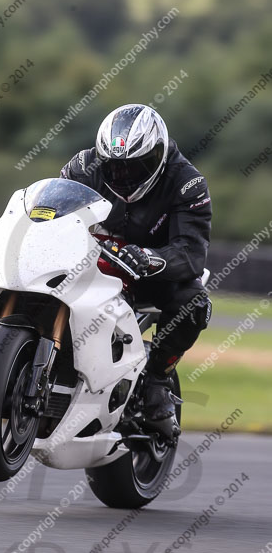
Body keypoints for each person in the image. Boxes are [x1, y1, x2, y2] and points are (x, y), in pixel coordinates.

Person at [60, 104, 212, 441]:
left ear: (157, 155)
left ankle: (158, 380)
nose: (124, 176)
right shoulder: (83, 166)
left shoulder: (187, 184)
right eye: (115, 167)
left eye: (135, 167)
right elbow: (53, 207)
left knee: (194, 299)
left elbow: (191, 252)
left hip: (147, 274)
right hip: (90, 263)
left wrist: (152, 258)